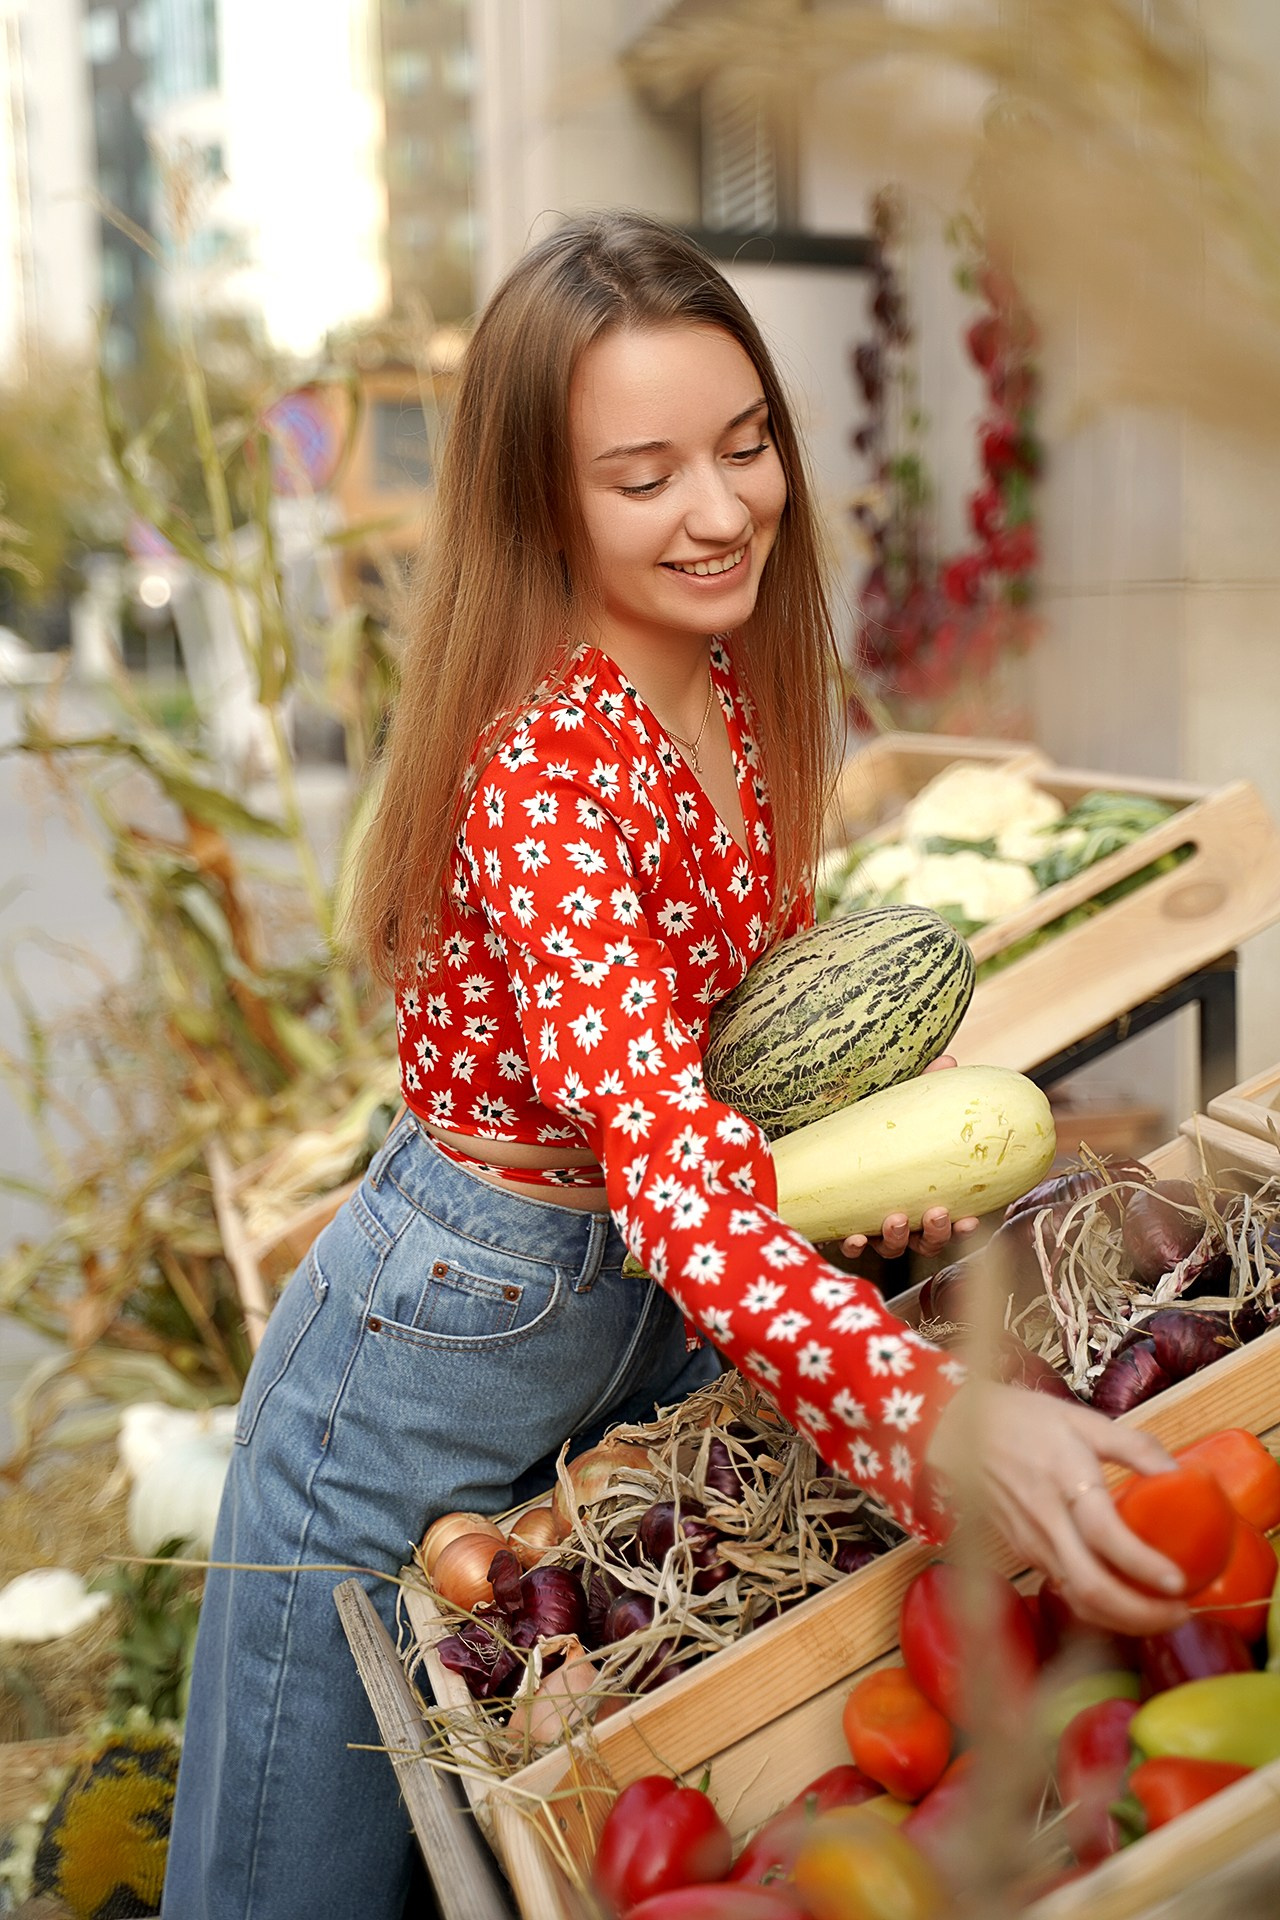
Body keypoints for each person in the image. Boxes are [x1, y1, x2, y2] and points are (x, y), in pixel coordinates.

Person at [163, 211, 1189, 1920]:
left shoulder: (739, 695)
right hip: (435, 1351)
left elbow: (726, 1077)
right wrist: (938, 1419)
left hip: (642, 1310)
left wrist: (869, 1207)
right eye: (643, 476)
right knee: (298, 1884)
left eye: (745, 445)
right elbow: (666, 1161)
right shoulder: (541, 778)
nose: (720, 509)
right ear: (538, 501)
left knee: (534, 1852)